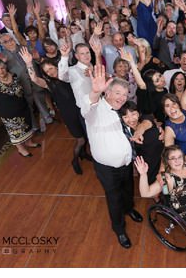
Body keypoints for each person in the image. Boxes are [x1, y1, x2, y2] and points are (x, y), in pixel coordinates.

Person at [78, 62, 141, 249]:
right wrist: (95, 91)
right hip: (107, 168)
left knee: (128, 189)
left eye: (124, 94)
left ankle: (129, 209)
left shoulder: (123, 110)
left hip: (126, 162)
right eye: (118, 93)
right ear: (107, 92)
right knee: (113, 197)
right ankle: (119, 228)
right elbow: (86, 107)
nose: (122, 98)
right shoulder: (95, 111)